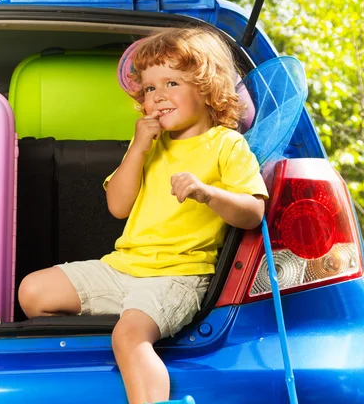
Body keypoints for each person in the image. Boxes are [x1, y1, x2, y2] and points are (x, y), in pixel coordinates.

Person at [18, 26, 268, 404]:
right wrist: (137, 147)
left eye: (171, 83)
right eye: (150, 88)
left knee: (128, 336)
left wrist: (207, 192)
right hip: (123, 268)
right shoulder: (149, 146)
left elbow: (253, 213)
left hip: (177, 277)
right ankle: (125, 341)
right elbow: (117, 206)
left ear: (206, 87)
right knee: (32, 291)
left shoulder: (226, 144)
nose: (158, 97)